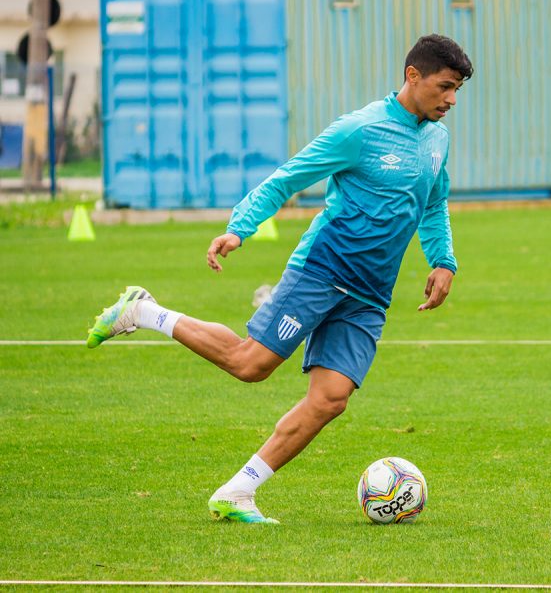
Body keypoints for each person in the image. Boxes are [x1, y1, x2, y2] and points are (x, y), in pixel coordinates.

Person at [86, 33, 473, 524]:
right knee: (251, 365)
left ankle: (237, 493)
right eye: (445, 86)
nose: (451, 99)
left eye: (458, 89)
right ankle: (142, 310)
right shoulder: (360, 130)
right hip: (324, 270)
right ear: (413, 75)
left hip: (371, 293)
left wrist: (443, 261)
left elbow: (434, 204)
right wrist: (239, 228)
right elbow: (289, 177)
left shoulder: (437, 138)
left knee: (331, 399)